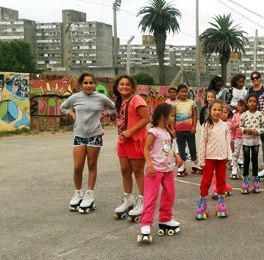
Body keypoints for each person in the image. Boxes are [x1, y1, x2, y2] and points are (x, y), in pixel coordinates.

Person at [60, 72, 116, 214]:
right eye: (85, 83)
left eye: (91, 83)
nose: (88, 85)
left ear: (94, 84)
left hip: (94, 135)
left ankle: (89, 194)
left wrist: (105, 114)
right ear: (81, 84)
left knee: (91, 165)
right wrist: (71, 114)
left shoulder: (100, 97)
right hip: (79, 135)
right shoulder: (75, 97)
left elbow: (114, 107)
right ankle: (78, 193)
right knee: (78, 167)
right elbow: (63, 107)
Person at [137, 103, 183, 243]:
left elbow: (167, 147)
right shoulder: (154, 132)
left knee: (170, 194)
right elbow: (146, 149)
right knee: (151, 197)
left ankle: (165, 218)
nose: (173, 118)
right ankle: (146, 224)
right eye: (171, 116)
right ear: (163, 116)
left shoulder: (167, 131)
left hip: (167, 169)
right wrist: (149, 165)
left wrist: (176, 156)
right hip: (155, 170)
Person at [112, 75, 152, 222]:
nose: (124, 87)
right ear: (117, 87)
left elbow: (147, 118)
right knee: (125, 171)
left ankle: (142, 200)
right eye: (121, 84)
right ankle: (128, 199)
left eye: (127, 85)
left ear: (132, 87)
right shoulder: (119, 101)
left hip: (136, 140)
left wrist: (130, 131)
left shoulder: (136, 99)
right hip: (123, 141)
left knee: (138, 172)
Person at [196, 100, 233, 220]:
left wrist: (229, 156)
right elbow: (202, 143)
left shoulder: (225, 125)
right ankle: (202, 201)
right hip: (209, 158)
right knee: (206, 180)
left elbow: (228, 142)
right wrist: (201, 160)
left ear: (223, 112)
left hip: (221, 158)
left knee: (221, 180)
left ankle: (221, 201)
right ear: (209, 111)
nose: (217, 112)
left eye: (219, 110)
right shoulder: (206, 125)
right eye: (214, 110)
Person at [240, 94, 264, 194]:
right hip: (246, 140)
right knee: (246, 160)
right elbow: (240, 126)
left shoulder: (259, 115)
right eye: (250, 101)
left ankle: (256, 180)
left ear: (257, 103)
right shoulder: (244, 114)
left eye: (254, 101)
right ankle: (246, 180)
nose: (252, 103)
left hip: (255, 140)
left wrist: (258, 131)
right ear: (247, 103)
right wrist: (245, 129)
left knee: (254, 160)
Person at [173, 84, 202, 176]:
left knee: (192, 146)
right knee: (181, 147)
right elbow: (172, 117)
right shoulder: (175, 104)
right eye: (181, 91)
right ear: (178, 93)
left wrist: (193, 127)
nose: (183, 93)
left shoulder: (191, 103)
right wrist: (173, 128)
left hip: (190, 130)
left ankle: (194, 162)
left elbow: (194, 115)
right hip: (179, 130)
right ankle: (182, 164)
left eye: (185, 91)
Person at [210, 104, 234, 199]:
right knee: (215, 172)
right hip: (213, 152)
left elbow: (228, 141)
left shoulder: (227, 125)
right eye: (221, 111)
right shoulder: (211, 124)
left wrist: (229, 155)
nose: (222, 114)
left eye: (225, 112)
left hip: (223, 153)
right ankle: (221, 187)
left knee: (220, 172)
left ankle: (221, 187)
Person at [230, 99, 247, 179]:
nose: (239, 107)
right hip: (237, 137)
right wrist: (235, 125)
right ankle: (234, 167)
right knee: (236, 152)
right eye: (238, 106)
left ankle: (245, 171)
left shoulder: (247, 114)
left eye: (241, 105)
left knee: (245, 153)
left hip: (246, 137)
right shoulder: (235, 115)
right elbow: (232, 124)